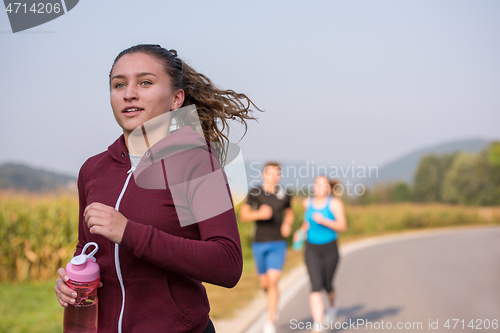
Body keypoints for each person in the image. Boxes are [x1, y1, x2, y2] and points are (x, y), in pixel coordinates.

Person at [54, 44, 261, 333]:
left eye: (146, 82)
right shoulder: (93, 169)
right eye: (119, 85)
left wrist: (131, 233)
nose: (129, 93)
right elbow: (87, 248)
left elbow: (227, 263)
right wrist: (71, 278)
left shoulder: (196, 163)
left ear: (177, 99)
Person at [238, 162, 295, 333]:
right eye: (270, 173)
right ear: (263, 175)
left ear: (280, 176)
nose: (273, 177)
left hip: (278, 242)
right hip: (259, 242)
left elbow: (290, 212)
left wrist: (287, 223)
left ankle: (270, 320)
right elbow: (243, 216)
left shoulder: (285, 193)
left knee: (273, 280)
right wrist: (259, 214)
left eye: (277, 174)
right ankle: (273, 302)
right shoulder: (255, 192)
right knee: (264, 284)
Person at [293, 176, 347, 333]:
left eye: (323, 185)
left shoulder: (335, 203)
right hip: (311, 249)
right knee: (315, 285)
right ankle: (318, 324)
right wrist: (300, 232)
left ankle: (333, 306)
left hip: (330, 248)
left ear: (329, 188)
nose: (320, 187)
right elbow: (306, 223)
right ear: (314, 187)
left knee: (327, 284)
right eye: (317, 184)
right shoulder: (307, 203)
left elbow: (342, 226)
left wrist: (325, 221)